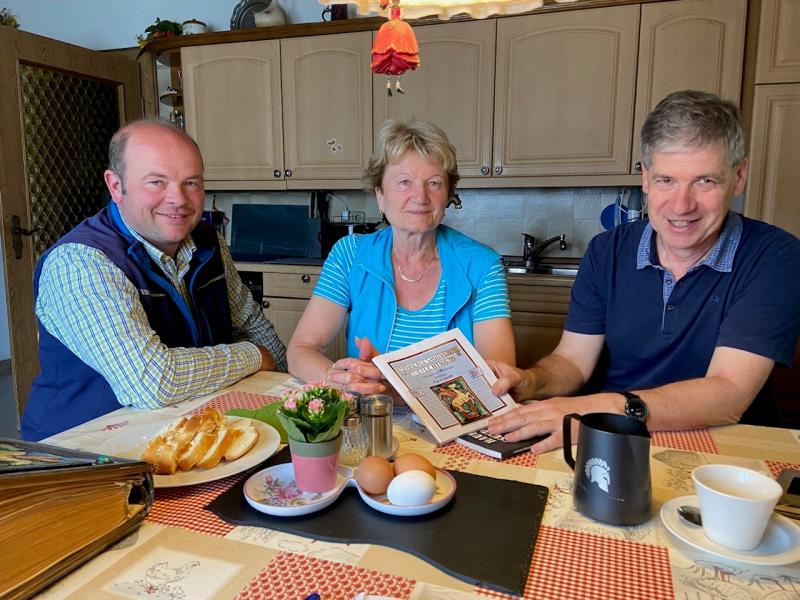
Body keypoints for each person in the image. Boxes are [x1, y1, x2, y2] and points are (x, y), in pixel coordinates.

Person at [488, 90, 800, 454]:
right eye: (666, 180)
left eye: (705, 181)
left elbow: (727, 394)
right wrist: (530, 381)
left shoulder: (775, 257)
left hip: (725, 452)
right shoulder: (608, 251)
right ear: (646, 178)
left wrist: (597, 409)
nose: (682, 205)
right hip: (609, 439)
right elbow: (572, 361)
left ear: (739, 176)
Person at [21, 119, 287, 441]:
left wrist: (286, 392)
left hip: (182, 430)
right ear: (116, 186)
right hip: (84, 454)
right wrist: (254, 356)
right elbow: (153, 381)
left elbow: (255, 327)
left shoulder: (206, 240)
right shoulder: (79, 261)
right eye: (156, 182)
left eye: (191, 182)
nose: (178, 199)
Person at [287, 120, 515, 393]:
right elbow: (300, 349)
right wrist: (334, 377)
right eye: (404, 182)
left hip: (453, 421)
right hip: (371, 417)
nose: (420, 196)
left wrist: (398, 389)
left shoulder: (482, 265)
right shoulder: (350, 255)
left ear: (448, 195)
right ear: (380, 195)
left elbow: (499, 377)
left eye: (433, 183)